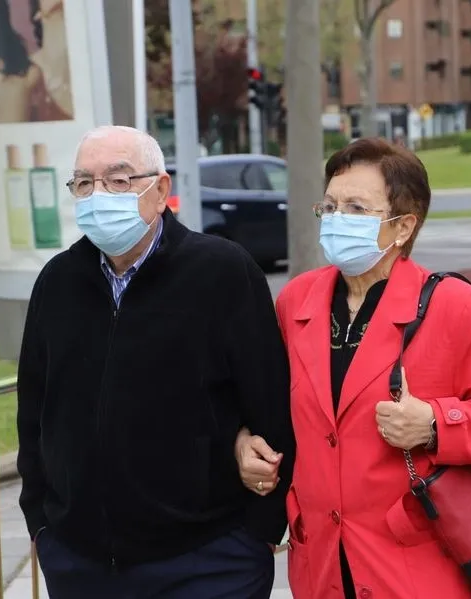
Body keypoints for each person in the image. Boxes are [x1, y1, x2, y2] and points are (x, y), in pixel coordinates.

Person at [234, 138, 471, 599]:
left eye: (356, 208)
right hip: (321, 562)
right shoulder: (296, 300)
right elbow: (270, 405)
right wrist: (245, 442)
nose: (338, 220)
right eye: (332, 206)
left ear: (402, 226)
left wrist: (437, 424)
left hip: (413, 564)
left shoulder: (453, 306)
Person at [16, 125, 294, 598]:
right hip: (81, 563)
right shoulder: (57, 282)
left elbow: (269, 404)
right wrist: (41, 523)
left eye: (118, 180)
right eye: (84, 183)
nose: (99, 194)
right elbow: (34, 411)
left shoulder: (222, 272)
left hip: (208, 560)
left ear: (160, 189)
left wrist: (260, 533)